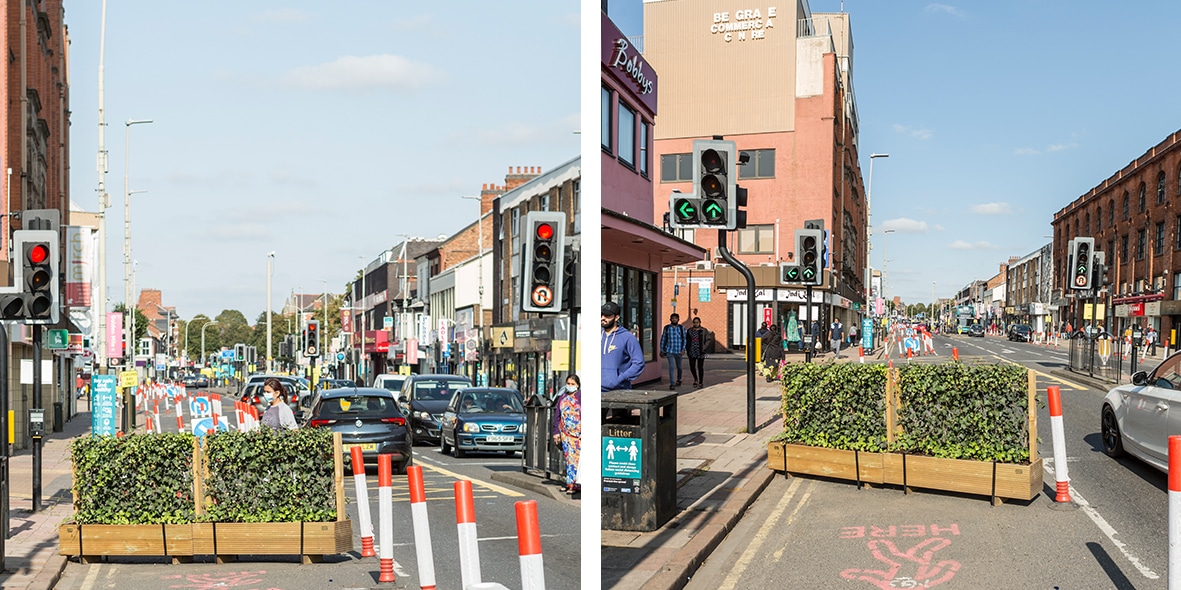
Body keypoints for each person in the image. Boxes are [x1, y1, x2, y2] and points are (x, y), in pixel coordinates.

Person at [602, 302, 645, 391]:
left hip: (618, 390)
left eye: (607, 315)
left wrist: (620, 379)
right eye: (601, 315)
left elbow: (639, 363)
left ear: (616, 317)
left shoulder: (627, 337)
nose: (603, 318)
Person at [551, 374, 581, 495]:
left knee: (576, 460)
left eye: (572, 384)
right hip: (565, 434)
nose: (570, 386)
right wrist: (556, 432)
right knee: (569, 460)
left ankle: (573, 485)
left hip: (578, 435)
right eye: (568, 383)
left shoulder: (581, 397)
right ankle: (570, 483)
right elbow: (557, 416)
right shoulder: (562, 397)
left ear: (577, 385)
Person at [660, 313, 687, 390]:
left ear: (678, 319)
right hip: (670, 350)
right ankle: (672, 383)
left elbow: (684, 339)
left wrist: (683, 349)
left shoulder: (682, 328)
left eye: (675, 318)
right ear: (670, 319)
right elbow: (663, 339)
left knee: (679, 367)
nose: (674, 319)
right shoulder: (667, 328)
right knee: (671, 367)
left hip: (679, 351)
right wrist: (662, 350)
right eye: (673, 318)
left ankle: (679, 379)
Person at [686, 317, 708, 388]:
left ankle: (701, 381)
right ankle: (695, 379)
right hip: (692, 350)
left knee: (700, 367)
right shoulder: (690, 331)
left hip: (700, 351)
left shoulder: (703, 330)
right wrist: (687, 348)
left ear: (700, 322)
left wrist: (704, 347)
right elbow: (687, 340)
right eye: (694, 322)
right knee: (692, 366)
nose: (696, 324)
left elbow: (708, 339)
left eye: (697, 322)